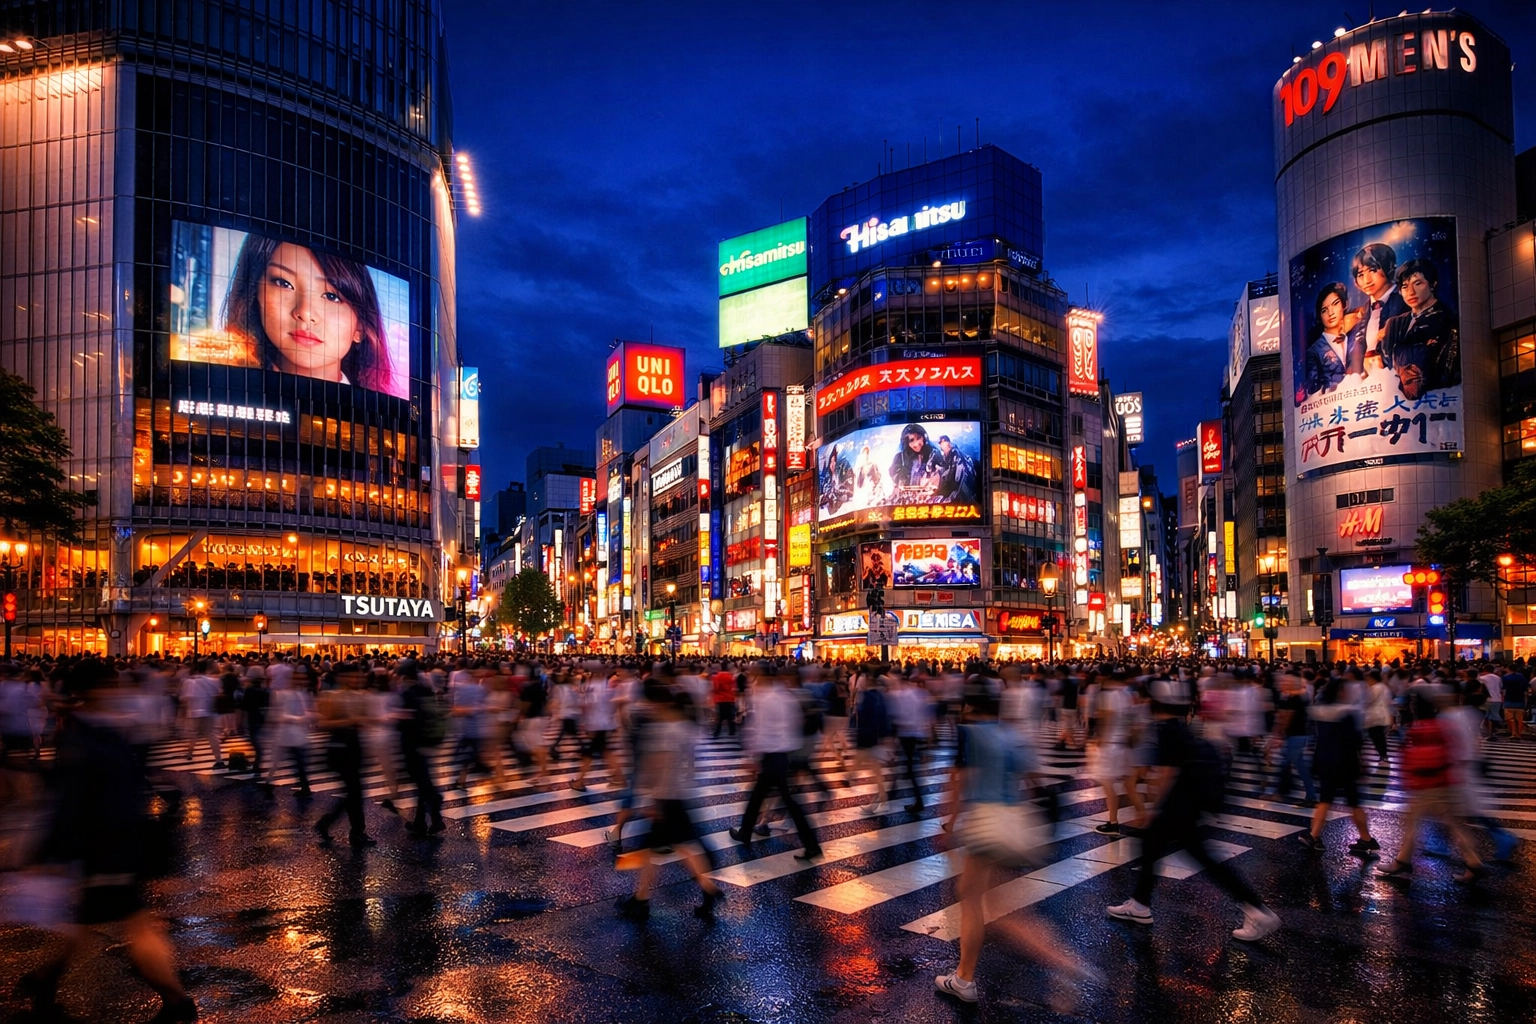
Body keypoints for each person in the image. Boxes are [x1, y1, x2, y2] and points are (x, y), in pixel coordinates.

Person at [18, 660, 197, 1022]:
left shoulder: (88, 734)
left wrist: (49, 851)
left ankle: (176, 999)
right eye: (109, 685)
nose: (115, 690)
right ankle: (46, 978)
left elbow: (71, 799)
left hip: (107, 844)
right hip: (116, 840)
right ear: (93, 690)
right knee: (97, 920)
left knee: (130, 923)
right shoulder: (106, 729)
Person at [934, 680, 1099, 1008]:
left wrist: (949, 824)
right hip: (1015, 823)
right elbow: (1030, 777)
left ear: (968, 707)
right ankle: (967, 975)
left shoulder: (969, 734)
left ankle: (1060, 965)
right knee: (979, 896)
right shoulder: (1010, 734)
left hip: (987, 824)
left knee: (984, 905)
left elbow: (959, 783)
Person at [1106, 680, 1281, 942]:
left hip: (1178, 804)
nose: (1138, 703)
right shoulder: (1179, 726)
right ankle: (1140, 903)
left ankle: (1256, 909)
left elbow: (1168, 772)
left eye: (1142, 699)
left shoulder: (1164, 729)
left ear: (1151, 703)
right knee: (1156, 848)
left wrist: (1154, 808)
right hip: (1189, 802)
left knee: (1198, 857)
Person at [223, 235, 396, 392]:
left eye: (331, 296)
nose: (305, 312)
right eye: (284, 283)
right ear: (255, 292)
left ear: (360, 327)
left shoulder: (377, 416)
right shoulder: (228, 387)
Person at [615, 684, 723, 921]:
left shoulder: (665, 730)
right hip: (680, 795)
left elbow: (659, 765)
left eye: (651, 704)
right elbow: (691, 763)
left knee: (660, 848)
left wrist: (653, 801)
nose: (648, 708)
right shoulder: (687, 728)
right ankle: (704, 890)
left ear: (661, 704)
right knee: (677, 846)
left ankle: (642, 900)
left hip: (666, 798)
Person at [1378, 692, 1486, 882]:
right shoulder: (1444, 726)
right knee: (1454, 825)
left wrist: (1407, 782)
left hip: (1423, 786)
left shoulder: (1415, 729)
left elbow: (1408, 758)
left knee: (1412, 824)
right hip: (1445, 782)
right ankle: (1474, 862)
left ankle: (1402, 862)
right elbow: (1455, 751)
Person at [728, 663, 823, 860]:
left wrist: (753, 756)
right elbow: (796, 724)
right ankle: (745, 831)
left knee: (787, 802)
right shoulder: (786, 696)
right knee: (760, 795)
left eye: (754, 675)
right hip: (784, 753)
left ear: (760, 676)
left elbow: (758, 729)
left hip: (772, 755)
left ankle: (812, 845)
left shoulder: (764, 697)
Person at [1297, 676, 1377, 857]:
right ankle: (1365, 839)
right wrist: (1362, 763)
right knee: (1352, 802)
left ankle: (1314, 836)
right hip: (1346, 762)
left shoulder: (1321, 712)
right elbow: (1356, 741)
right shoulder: (1348, 714)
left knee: (1326, 799)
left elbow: (1317, 739)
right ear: (1340, 692)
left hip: (1328, 761)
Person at [1378, 258, 1460, 400]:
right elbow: (1386, 364)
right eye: (1404, 286)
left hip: (1437, 401)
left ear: (1433, 284)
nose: (1411, 292)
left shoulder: (1448, 319)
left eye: (1418, 283)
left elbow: (1449, 368)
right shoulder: (1394, 324)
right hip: (1396, 403)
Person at [315, 662, 375, 848]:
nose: (357, 680)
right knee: (355, 792)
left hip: (354, 747)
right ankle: (356, 832)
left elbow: (368, 719)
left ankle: (328, 823)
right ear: (341, 678)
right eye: (353, 677)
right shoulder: (332, 697)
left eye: (359, 677)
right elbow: (323, 723)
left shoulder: (363, 696)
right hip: (339, 748)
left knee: (353, 792)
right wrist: (351, 720)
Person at [397, 663, 446, 837]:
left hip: (413, 746)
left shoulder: (408, 694)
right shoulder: (427, 692)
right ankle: (421, 822)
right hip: (427, 742)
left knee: (423, 784)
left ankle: (436, 810)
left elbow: (405, 723)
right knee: (422, 782)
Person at [1346, 240, 1408, 373]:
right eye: (1360, 274)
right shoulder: (1360, 314)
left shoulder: (1407, 301)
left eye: (1372, 270)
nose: (1366, 280)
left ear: (1388, 267)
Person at [1301, 282, 1362, 398]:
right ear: (1320, 315)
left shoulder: (1356, 336)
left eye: (1335, 304)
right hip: (1332, 407)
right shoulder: (1314, 351)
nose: (1331, 313)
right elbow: (1312, 388)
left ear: (1345, 304)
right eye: (1324, 310)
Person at [178, 661, 224, 769]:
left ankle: (189, 753)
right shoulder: (213, 681)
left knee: (193, 733)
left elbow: (185, 698)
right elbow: (218, 694)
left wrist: (183, 711)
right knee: (211, 734)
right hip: (208, 711)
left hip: (194, 711)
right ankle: (219, 759)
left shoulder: (188, 682)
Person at [888, 422, 940, 494]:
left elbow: (943, 476)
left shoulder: (934, 454)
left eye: (918, 438)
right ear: (906, 443)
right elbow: (895, 478)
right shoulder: (900, 458)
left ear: (924, 437)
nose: (916, 443)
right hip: (907, 499)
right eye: (911, 440)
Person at [933, 434, 978, 503]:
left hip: (964, 503)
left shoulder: (958, 457)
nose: (941, 447)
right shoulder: (949, 458)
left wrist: (946, 500)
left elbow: (960, 484)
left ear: (947, 443)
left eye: (941, 443)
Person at [1501, 663, 1528, 741]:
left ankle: (1513, 733)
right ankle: (1519, 734)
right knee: (1519, 719)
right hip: (1520, 700)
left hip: (1509, 700)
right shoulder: (1522, 677)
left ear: (1509, 669)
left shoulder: (1505, 677)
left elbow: (1503, 689)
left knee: (1510, 718)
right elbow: (1525, 690)